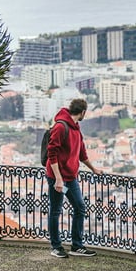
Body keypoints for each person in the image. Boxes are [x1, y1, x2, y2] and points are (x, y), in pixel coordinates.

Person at [46, 98, 103, 258]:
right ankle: (56, 246)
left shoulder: (76, 128)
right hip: (57, 178)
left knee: (79, 207)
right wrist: (58, 178)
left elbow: (82, 153)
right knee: (56, 210)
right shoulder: (60, 127)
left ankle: (76, 246)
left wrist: (93, 169)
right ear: (83, 112)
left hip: (70, 177)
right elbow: (52, 153)